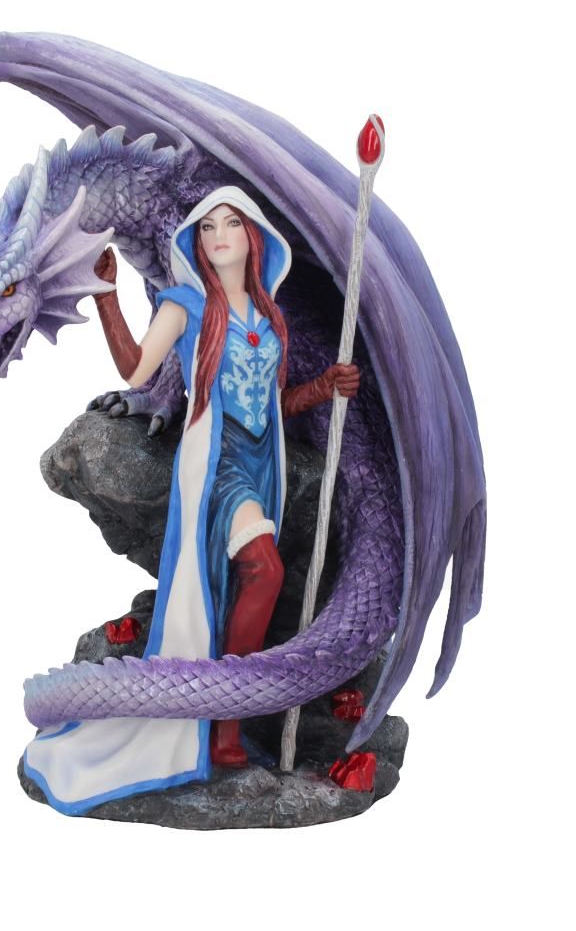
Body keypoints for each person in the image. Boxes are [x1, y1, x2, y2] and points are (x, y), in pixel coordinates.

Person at [21, 187, 358, 814]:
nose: (219, 235)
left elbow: (274, 404)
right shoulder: (185, 304)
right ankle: (226, 724)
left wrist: (323, 389)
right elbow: (135, 370)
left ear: (254, 236)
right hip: (217, 463)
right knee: (264, 569)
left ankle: (225, 717)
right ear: (195, 242)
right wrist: (108, 298)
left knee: (244, 584)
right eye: (207, 227)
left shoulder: (269, 316)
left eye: (231, 223)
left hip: (263, 466)